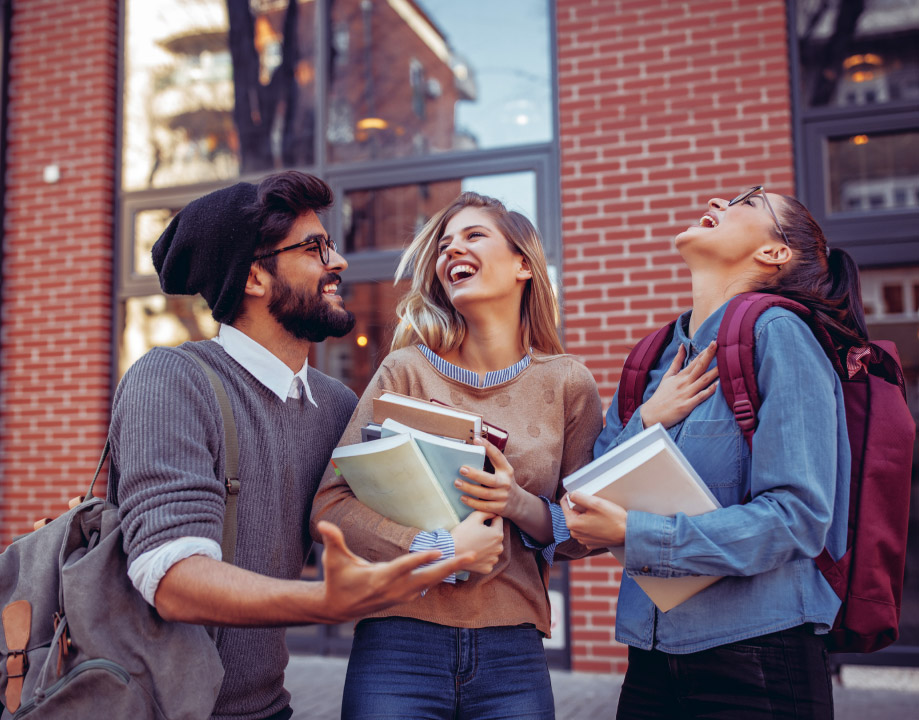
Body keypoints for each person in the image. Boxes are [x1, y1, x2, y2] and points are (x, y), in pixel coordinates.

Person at [108, 171, 471, 720]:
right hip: (153, 708)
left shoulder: (335, 405)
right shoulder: (171, 380)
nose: (339, 262)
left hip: (266, 708)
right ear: (255, 277)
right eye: (315, 247)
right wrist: (323, 604)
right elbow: (172, 577)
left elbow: (382, 527)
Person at [563, 186, 866, 720]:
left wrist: (637, 535)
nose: (720, 202)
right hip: (652, 658)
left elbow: (798, 519)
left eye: (748, 202)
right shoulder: (656, 355)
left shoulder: (780, 334)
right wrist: (648, 418)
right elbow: (589, 488)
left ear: (774, 253)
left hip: (759, 659)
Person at [310, 192, 602, 719]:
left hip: (512, 650)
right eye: (444, 243)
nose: (452, 250)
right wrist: (440, 548)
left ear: (522, 265)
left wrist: (518, 504)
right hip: (398, 642)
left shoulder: (567, 384)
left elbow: (590, 531)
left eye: (473, 236)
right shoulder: (405, 372)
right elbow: (330, 506)